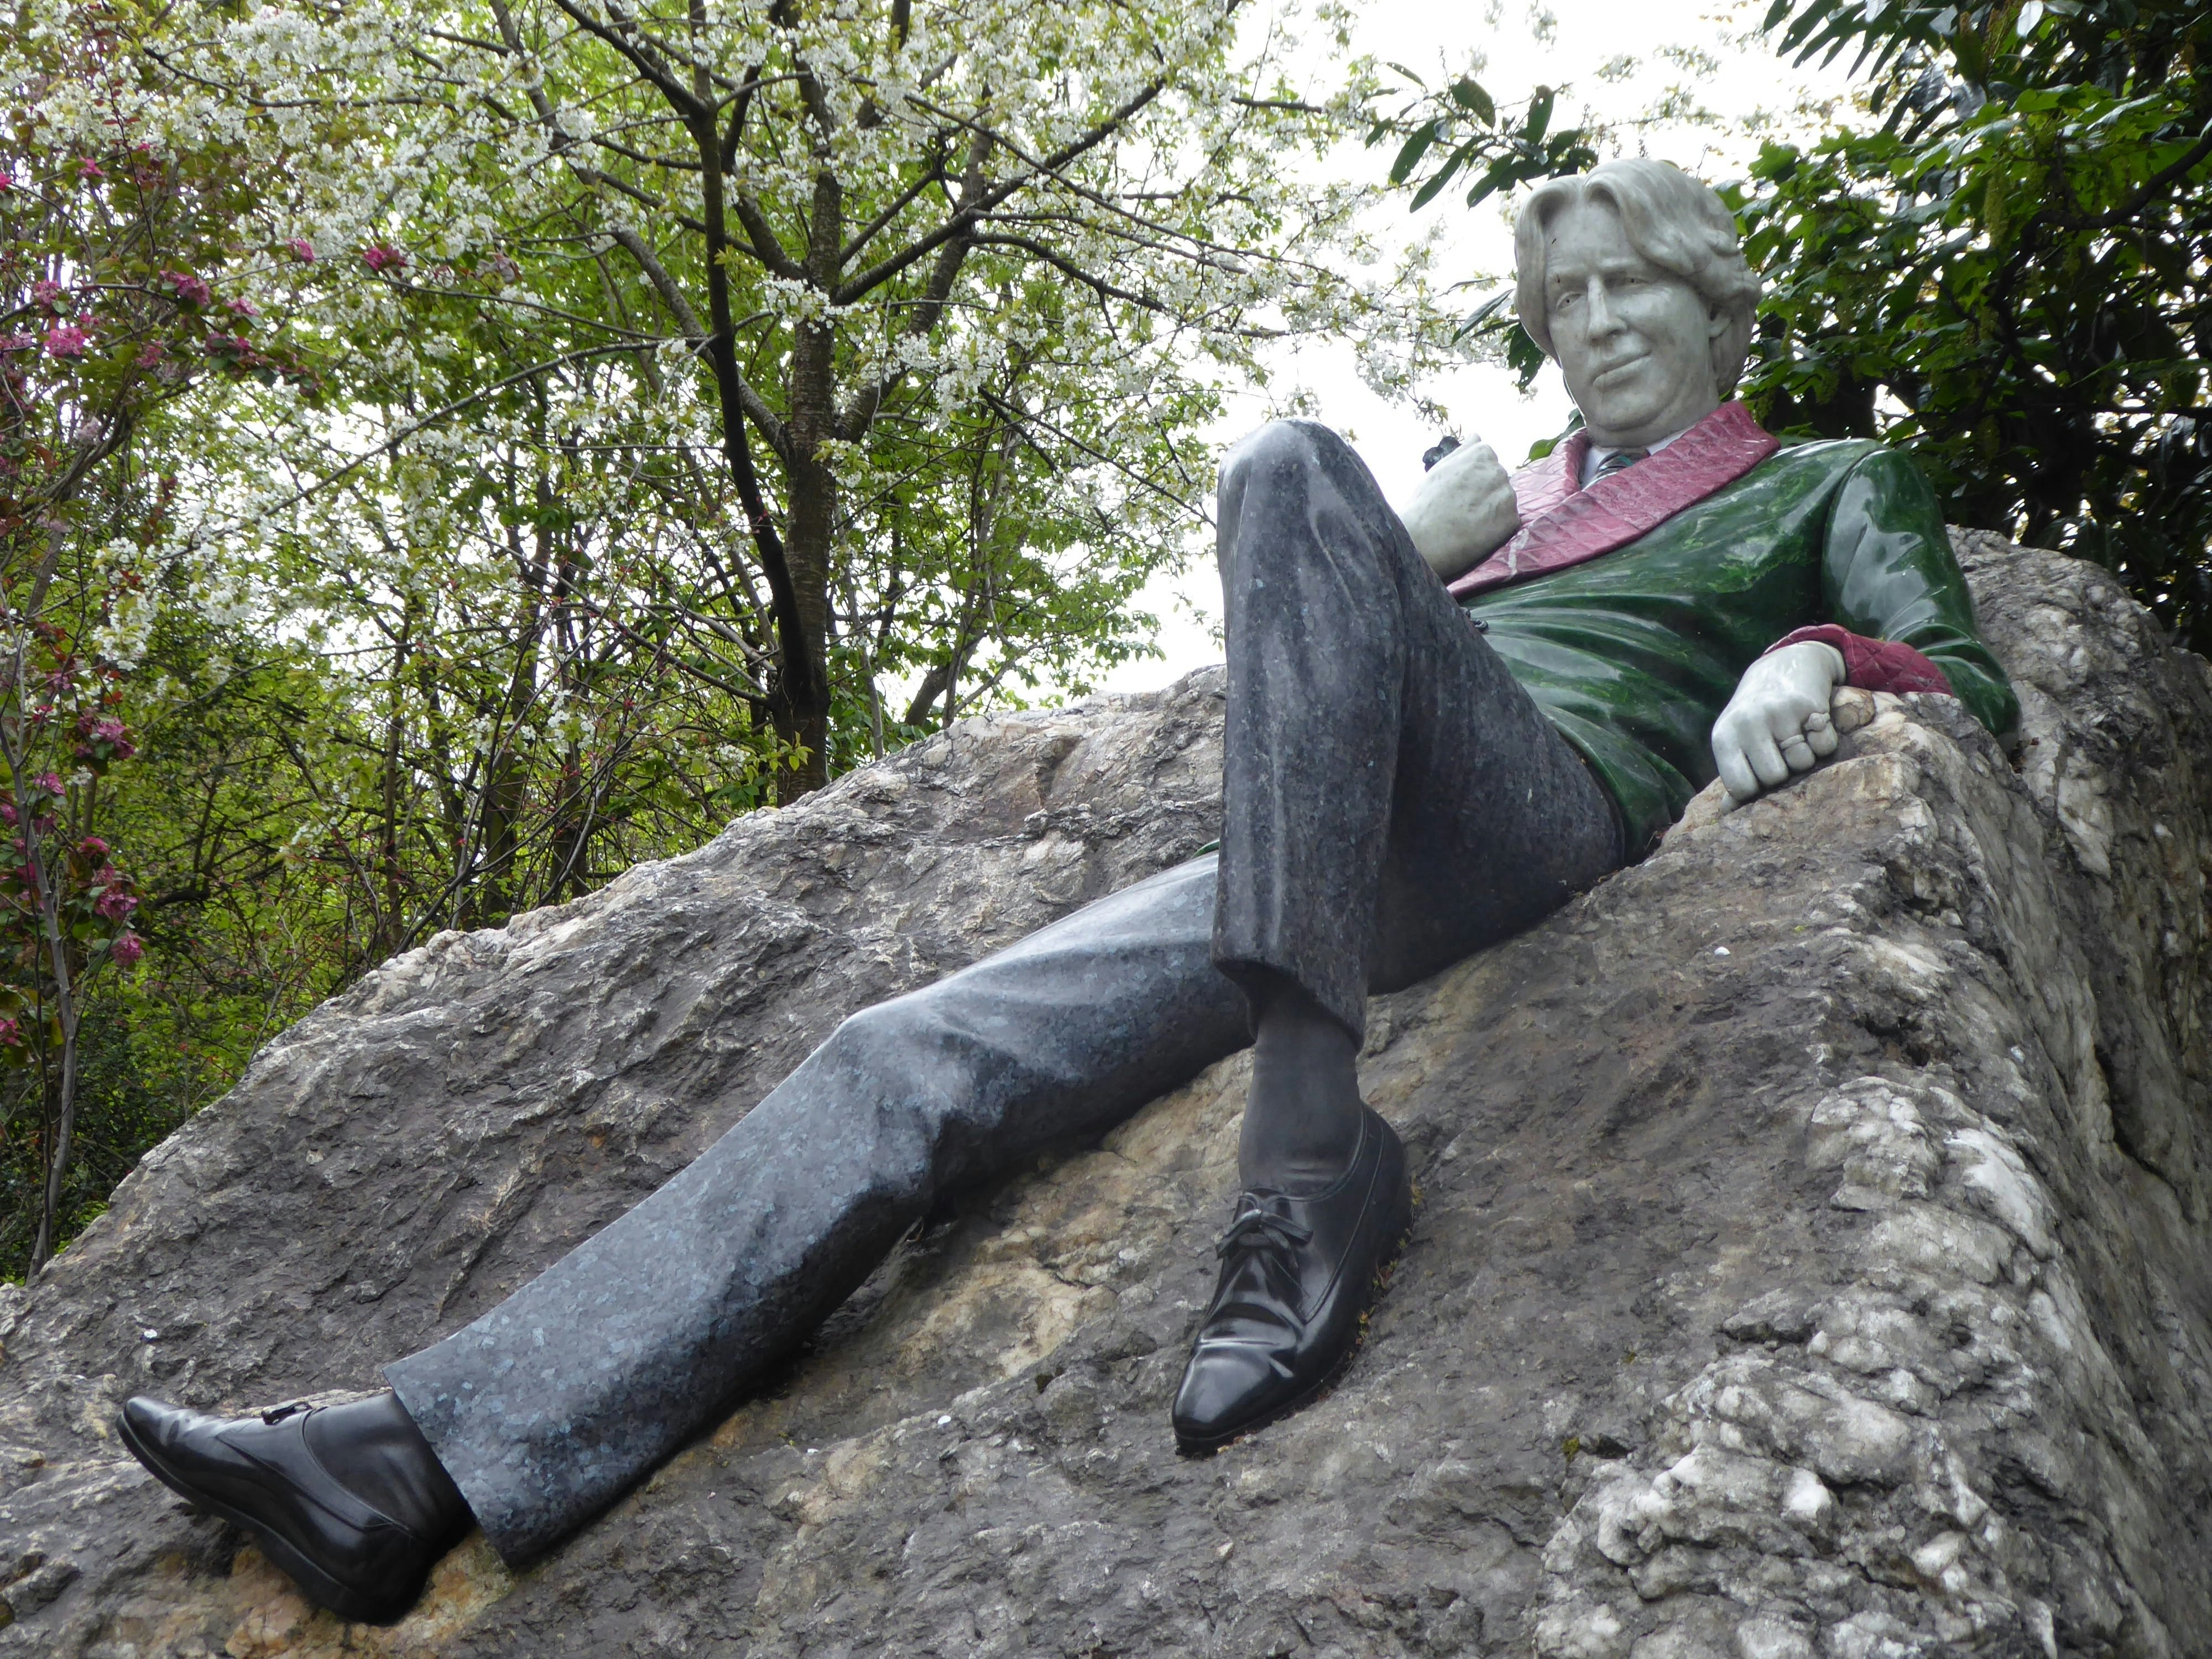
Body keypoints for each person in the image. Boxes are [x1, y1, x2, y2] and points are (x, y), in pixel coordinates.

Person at [113, 160, 2016, 1624]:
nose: (1598, 326)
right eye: (1568, 296)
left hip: (1547, 816)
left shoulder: (1821, 480)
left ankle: (1306, 1165)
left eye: (1639, 289)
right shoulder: (1502, 513)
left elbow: (1978, 680)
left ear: (1719, 309)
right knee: (908, 1048)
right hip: (1322, 861)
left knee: (1289, 460)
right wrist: (1420, 560)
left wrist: (1825, 659)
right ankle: (410, 1463)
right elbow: (1297, 703)